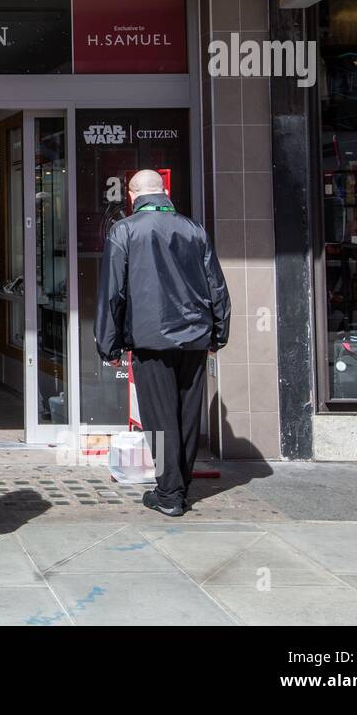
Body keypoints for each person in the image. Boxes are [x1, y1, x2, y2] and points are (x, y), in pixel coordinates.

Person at [95, 169, 231, 518]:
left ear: (131, 194)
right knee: (187, 413)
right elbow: (216, 285)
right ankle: (179, 486)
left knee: (159, 417)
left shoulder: (124, 231)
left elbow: (113, 293)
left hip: (150, 338)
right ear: (164, 191)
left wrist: (108, 345)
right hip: (194, 336)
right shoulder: (194, 229)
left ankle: (170, 493)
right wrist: (218, 333)